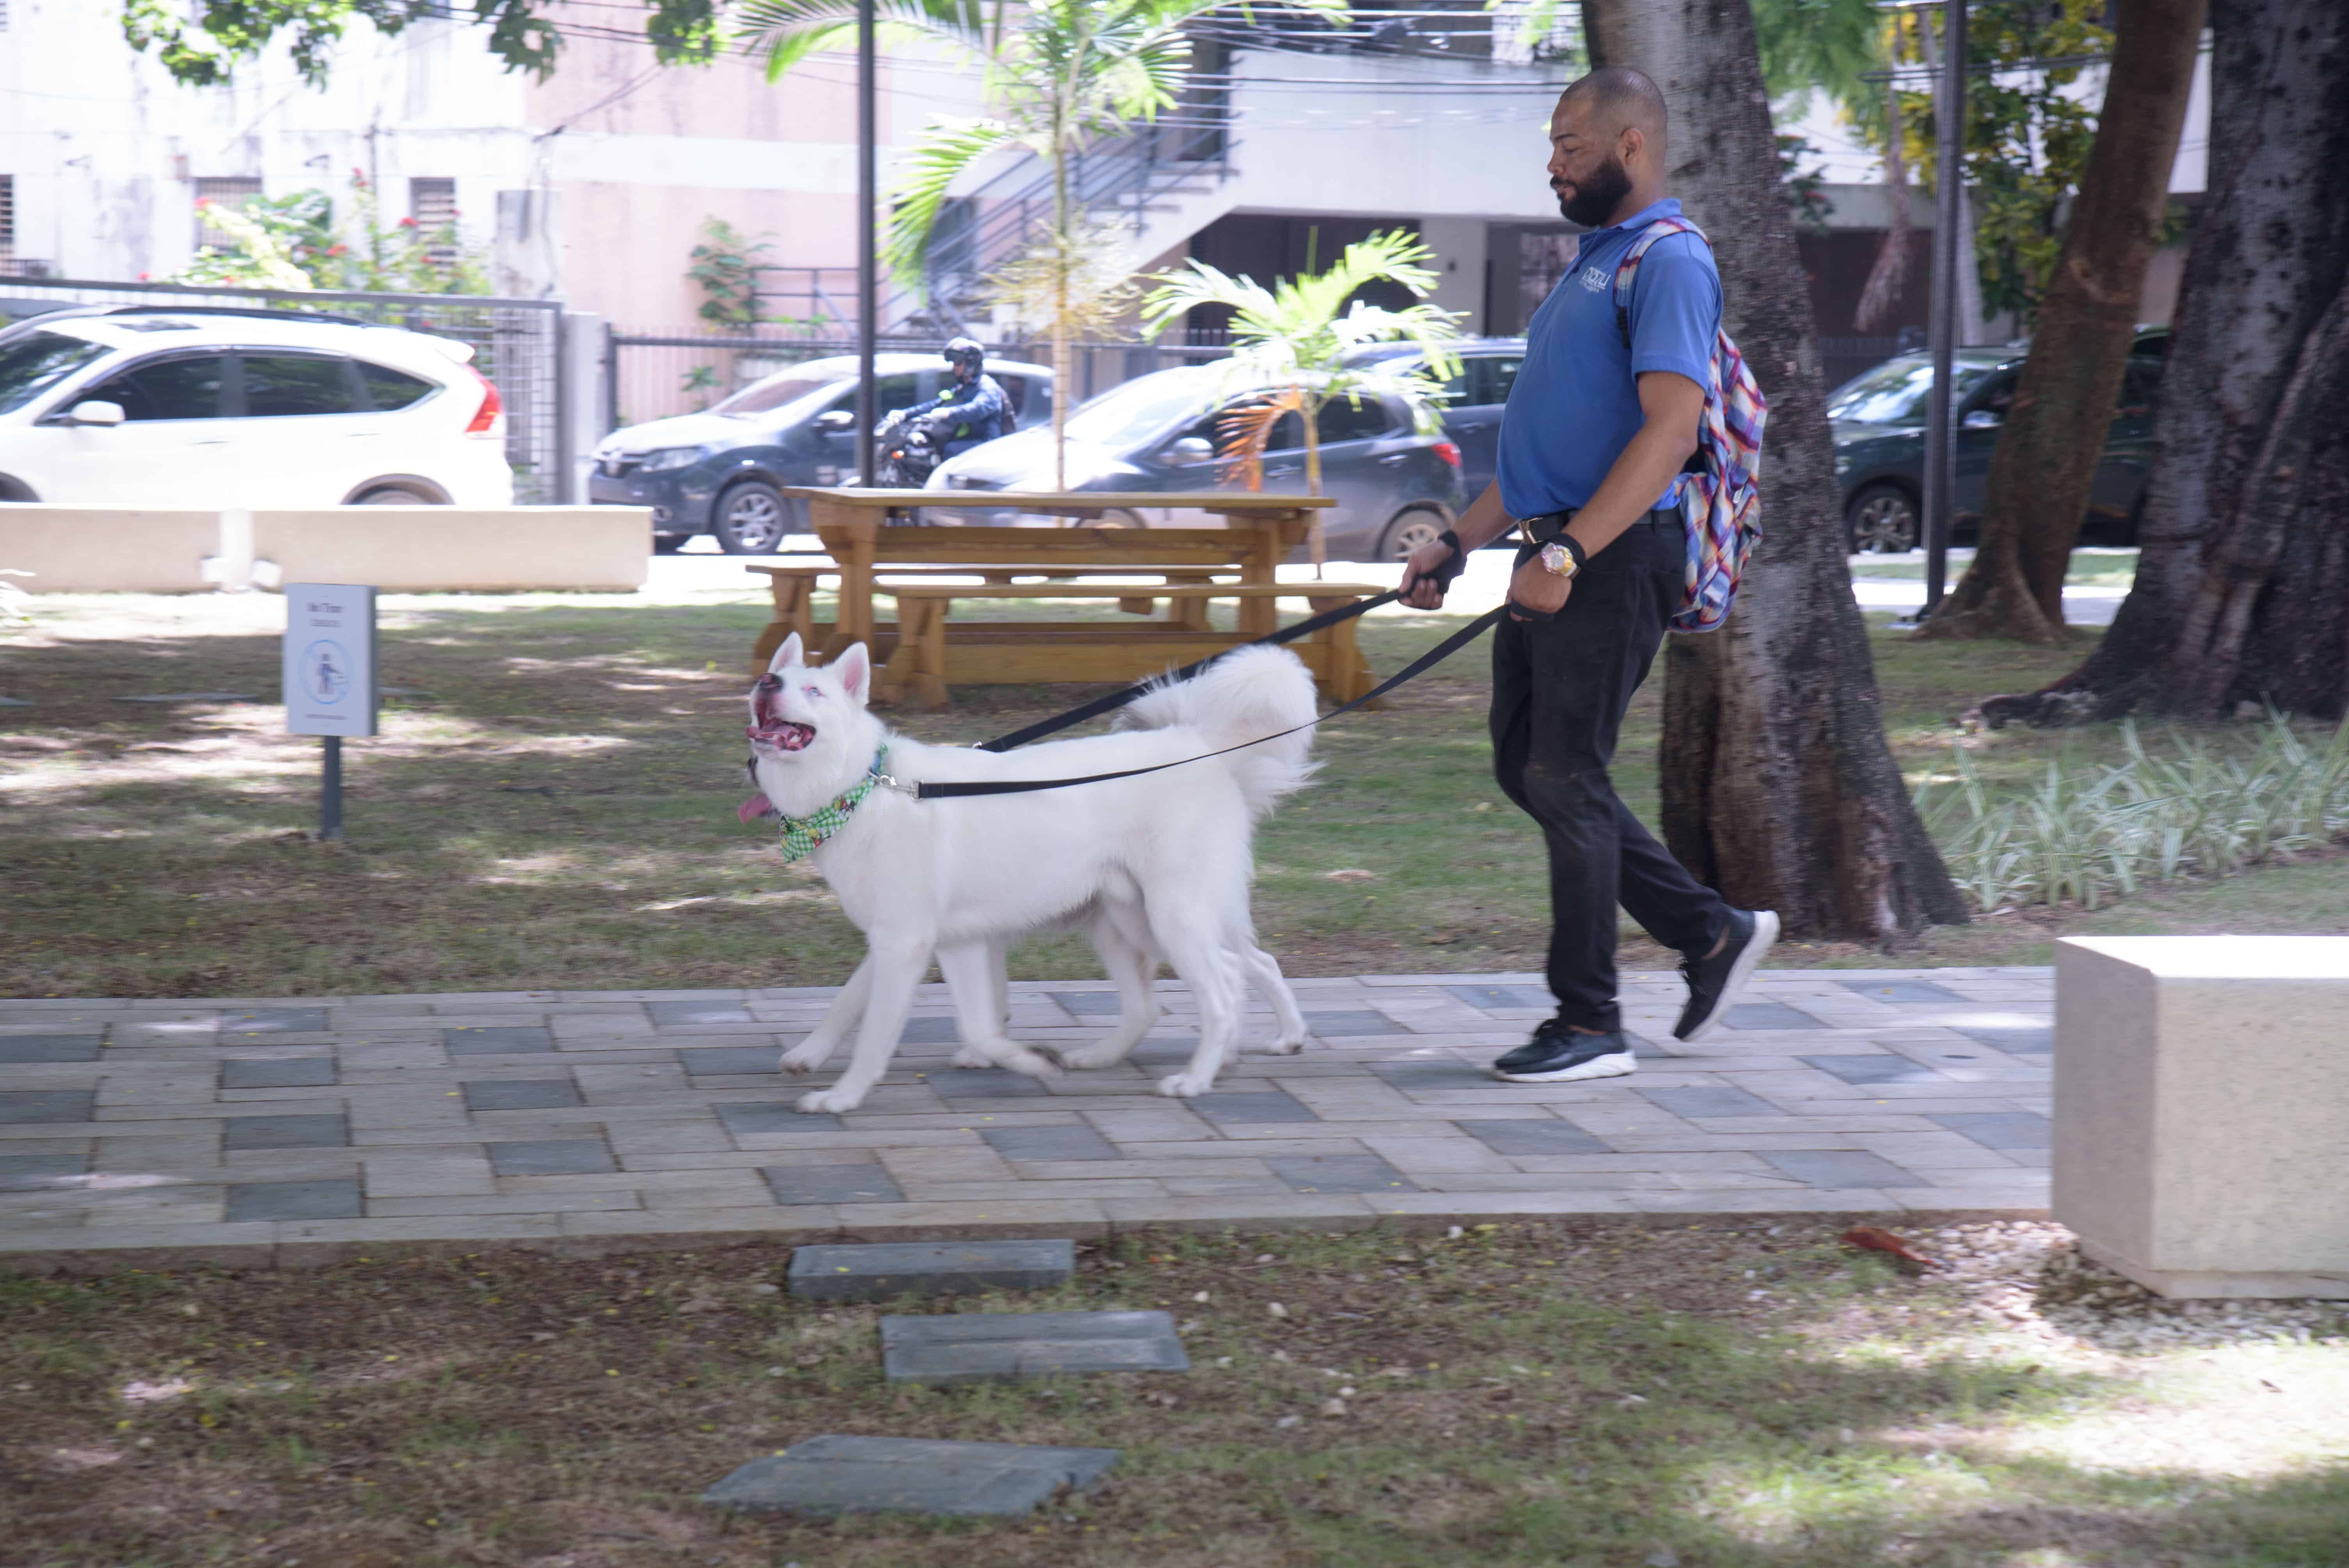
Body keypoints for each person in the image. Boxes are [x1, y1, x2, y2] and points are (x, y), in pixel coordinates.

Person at [1398, 66, 1778, 1085]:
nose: (1555, 162)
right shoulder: (1592, 265)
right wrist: (1462, 543)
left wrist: (1568, 554)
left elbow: (1671, 431)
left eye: (1573, 144)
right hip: (1555, 546)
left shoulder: (1670, 262)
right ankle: (1710, 934)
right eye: (1554, 145)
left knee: (1565, 772)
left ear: (1633, 148)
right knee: (1529, 763)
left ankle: (1589, 1023)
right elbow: (1546, 451)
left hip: (1615, 551)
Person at [898, 337, 1010, 459]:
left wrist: (948, 413)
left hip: (986, 445)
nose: (954, 368)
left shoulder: (987, 386)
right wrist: (905, 414)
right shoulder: (963, 388)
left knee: (951, 450)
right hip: (968, 439)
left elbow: (979, 408)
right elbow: (937, 404)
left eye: (958, 362)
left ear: (971, 362)